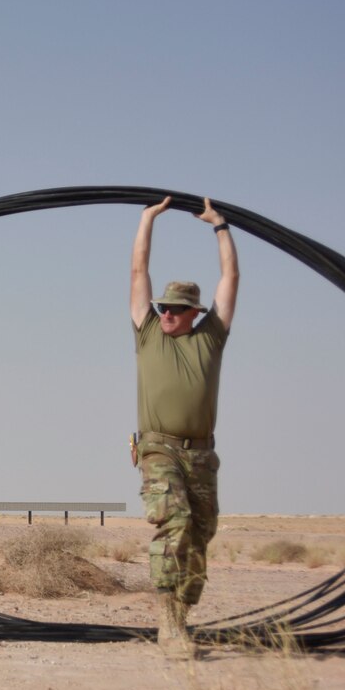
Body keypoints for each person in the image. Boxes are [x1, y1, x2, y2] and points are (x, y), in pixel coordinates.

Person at [129, 195, 239, 657]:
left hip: (201, 453)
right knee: (174, 522)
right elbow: (139, 274)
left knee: (200, 535)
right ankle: (169, 624)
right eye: (164, 307)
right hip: (159, 450)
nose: (167, 313)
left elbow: (230, 280)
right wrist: (147, 218)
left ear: (194, 312)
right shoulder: (148, 331)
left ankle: (183, 612)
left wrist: (220, 227)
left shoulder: (210, 337)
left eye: (176, 308)